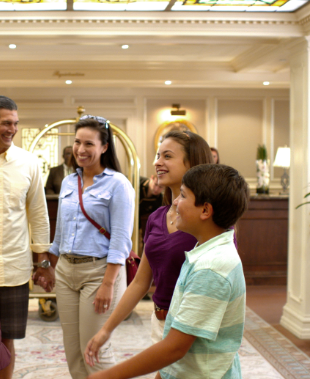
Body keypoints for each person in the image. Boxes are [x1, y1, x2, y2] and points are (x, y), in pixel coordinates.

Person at [85, 163, 249, 379]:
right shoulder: (206, 250)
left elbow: (174, 348)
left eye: (183, 196)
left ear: (206, 210)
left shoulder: (211, 268)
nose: (176, 203)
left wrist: (107, 376)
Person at [84, 131, 213, 358]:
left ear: (192, 163)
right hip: (160, 322)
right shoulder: (157, 217)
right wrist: (106, 330)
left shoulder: (208, 217)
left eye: (167, 156)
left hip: (195, 327)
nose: (157, 162)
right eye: (157, 155)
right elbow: (140, 283)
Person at [0, 95, 53, 379]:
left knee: (6, 341)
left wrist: (42, 261)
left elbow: (38, 214)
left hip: (14, 270)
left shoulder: (28, 163)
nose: (13, 129)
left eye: (15, 123)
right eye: (7, 123)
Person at [48, 114, 134, 379]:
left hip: (98, 274)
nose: (80, 150)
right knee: (73, 352)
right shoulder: (67, 182)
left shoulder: (118, 184)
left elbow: (121, 240)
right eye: (77, 142)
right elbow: (60, 234)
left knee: (94, 351)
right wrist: (47, 266)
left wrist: (109, 283)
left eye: (89, 144)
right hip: (65, 273)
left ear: (104, 147)